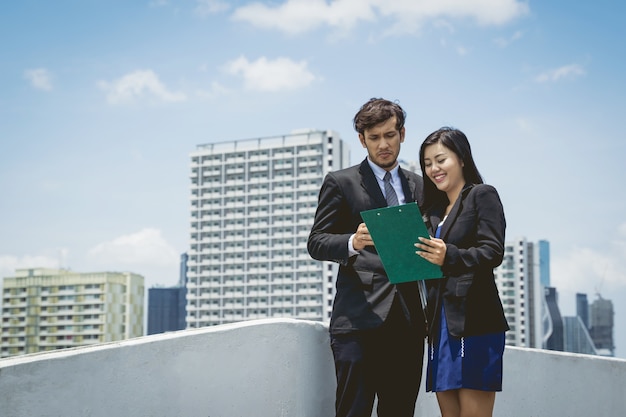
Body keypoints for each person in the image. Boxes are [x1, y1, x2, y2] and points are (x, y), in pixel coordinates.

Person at [308, 98, 426, 417]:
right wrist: (352, 241)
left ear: (402, 133)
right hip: (358, 322)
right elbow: (316, 242)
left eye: (389, 135)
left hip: (409, 323)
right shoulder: (341, 182)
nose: (383, 144)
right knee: (353, 412)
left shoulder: (420, 186)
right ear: (362, 140)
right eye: (374, 138)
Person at [414, 127, 509, 417]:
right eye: (427, 163)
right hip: (439, 326)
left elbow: (493, 252)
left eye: (441, 160)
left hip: (475, 322)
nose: (434, 169)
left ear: (462, 158)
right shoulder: (430, 214)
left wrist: (449, 255)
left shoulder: (482, 195)